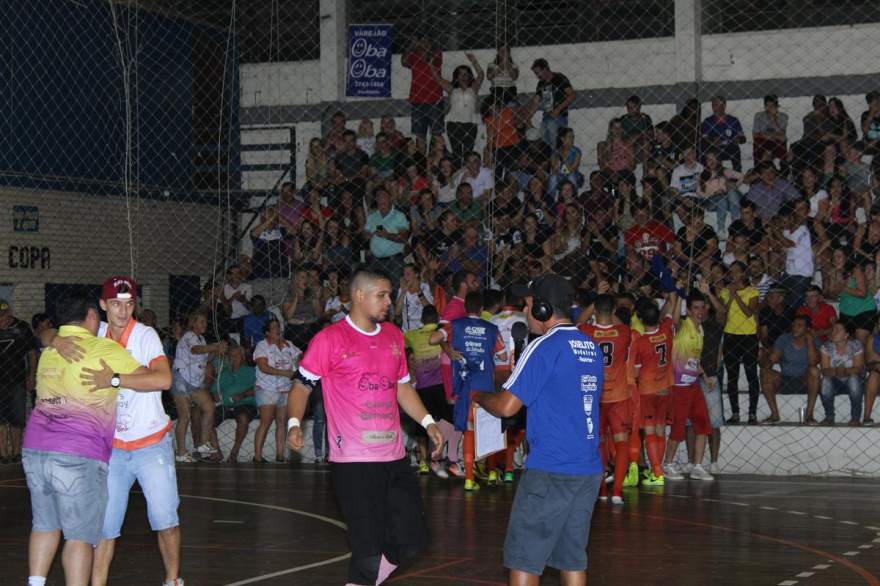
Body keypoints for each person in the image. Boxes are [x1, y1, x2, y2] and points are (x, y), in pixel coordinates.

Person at [286, 269, 443, 586]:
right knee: (368, 548)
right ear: (359, 295)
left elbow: (402, 387)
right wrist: (293, 423)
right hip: (353, 461)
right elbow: (302, 387)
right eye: (382, 295)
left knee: (413, 539)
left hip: (394, 457)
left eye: (389, 294)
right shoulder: (329, 339)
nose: (388, 302)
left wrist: (428, 423)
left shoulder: (394, 336)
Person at [471, 274, 604, 586]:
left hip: (551, 469)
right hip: (586, 468)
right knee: (572, 558)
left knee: (524, 559)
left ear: (543, 309)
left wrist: (478, 396)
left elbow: (506, 406)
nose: (524, 312)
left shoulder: (543, 346)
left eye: (528, 305)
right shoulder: (589, 346)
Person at [22, 293, 145, 586]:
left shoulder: (51, 347)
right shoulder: (105, 349)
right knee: (79, 537)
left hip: (36, 449)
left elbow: (43, 334)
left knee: (44, 526)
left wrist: (50, 336)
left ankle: (35, 583)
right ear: (92, 315)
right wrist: (116, 379)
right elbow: (156, 378)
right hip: (78, 452)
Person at [431, 292, 505, 490]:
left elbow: (433, 339)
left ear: (466, 308)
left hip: (465, 387)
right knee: (489, 431)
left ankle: (469, 479)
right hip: (485, 387)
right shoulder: (492, 328)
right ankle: (490, 473)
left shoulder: (455, 325)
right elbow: (503, 355)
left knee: (469, 432)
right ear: (481, 309)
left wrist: (448, 349)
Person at [579, 294, 634, 504]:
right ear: (612, 311)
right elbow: (622, 326)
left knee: (597, 443)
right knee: (621, 442)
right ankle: (617, 492)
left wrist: (593, 304)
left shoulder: (587, 332)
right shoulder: (623, 332)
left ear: (595, 312)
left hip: (594, 397)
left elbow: (577, 323)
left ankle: (601, 491)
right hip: (618, 396)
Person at [627, 295, 676, 486]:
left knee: (649, 432)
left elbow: (637, 370)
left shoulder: (639, 341)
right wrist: (674, 294)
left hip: (647, 389)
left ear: (639, 319)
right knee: (660, 430)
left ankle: (657, 473)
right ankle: (658, 470)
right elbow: (670, 315)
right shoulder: (666, 331)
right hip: (666, 387)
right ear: (658, 318)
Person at [171, 311, 227, 462]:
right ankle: (181, 453)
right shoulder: (189, 336)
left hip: (194, 382)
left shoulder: (201, 339)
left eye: (205, 322)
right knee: (185, 416)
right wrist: (214, 346)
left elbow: (204, 356)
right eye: (201, 321)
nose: (205, 324)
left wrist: (217, 351)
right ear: (193, 324)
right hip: (181, 379)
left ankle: (202, 443)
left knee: (209, 406)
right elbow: (194, 350)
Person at [404, 305, 450, 477]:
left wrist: (409, 368)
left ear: (422, 319)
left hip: (422, 387)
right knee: (447, 421)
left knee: (421, 425)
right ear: (437, 319)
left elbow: (403, 347)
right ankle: (443, 458)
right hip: (441, 386)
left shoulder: (411, 334)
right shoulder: (442, 332)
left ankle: (424, 463)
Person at [252, 319, 300, 463]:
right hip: (267, 389)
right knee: (265, 422)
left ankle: (280, 455)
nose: (277, 330)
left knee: (281, 422)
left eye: (278, 327)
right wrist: (286, 373)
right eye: (273, 328)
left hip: (285, 388)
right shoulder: (262, 345)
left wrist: (297, 362)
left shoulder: (288, 345)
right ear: (267, 332)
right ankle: (257, 456)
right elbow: (263, 367)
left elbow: (301, 355)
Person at [719, 261, 761, 424]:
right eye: (731, 271)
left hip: (749, 336)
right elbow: (724, 313)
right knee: (732, 376)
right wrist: (730, 295)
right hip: (730, 335)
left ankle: (752, 413)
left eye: (736, 271)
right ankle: (735, 413)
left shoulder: (752, 291)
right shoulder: (725, 291)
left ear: (744, 273)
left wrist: (736, 294)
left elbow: (749, 312)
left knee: (751, 374)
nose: (733, 274)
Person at [761, 315, 820, 424]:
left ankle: (809, 415)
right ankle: (774, 415)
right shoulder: (784, 338)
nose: (795, 328)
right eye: (794, 325)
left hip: (804, 380)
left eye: (800, 326)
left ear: (807, 329)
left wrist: (810, 341)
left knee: (814, 371)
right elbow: (773, 358)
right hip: (785, 380)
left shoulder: (814, 340)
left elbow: (813, 362)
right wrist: (766, 363)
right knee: (766, 373)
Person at [0, 298, 36, 464]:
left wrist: (32, 375)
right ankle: (2, 453)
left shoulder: (22, 328)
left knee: (17, 418)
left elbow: (31, 353)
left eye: (3, 316)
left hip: (17, 379)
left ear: (10, 313)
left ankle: (16, 452)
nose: (1, 320)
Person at [206, 344, 257, 463]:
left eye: (237, 355)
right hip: (226, 405)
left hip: (245, 403)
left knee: (243, 418)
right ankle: (217, 452)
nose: (234, 358)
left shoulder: (250, 371)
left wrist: (243, 395)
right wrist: (215, 395)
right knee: (207, 420)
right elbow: (214, 390)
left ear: (242, 357)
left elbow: (257, 388)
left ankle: (234, 452)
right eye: (231, 356)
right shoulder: (224, 373)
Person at [402, 35, 444, 154]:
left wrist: (419, 47)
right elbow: (403, 62)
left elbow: (429, 59)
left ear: (431, 43)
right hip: (417, 100)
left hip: (435, 99)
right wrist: (411, 46)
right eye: (422, 42)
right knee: (420, 136)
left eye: (427, 41)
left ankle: (437, 160)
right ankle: (421, 161)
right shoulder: (413, 55)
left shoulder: (437, 53)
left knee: (437, 134)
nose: (424, 44)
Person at [818, 322, 865, 425]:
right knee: (825, 381)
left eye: (838, 330)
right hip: (835, 382)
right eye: (833, 329)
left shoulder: (856, 345)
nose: (833, 332)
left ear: (846, 335)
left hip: (853, 381)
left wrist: (844, 371)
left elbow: (858, 369)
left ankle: (855, 418)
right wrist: (836, 371)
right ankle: (829, 417)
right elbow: (825, 370)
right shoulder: (826, 346)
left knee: (853, 379)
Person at [529, 58, 576, 156]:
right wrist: (528, 117)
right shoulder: (541, 84)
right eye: (536, 73)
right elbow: (536, 101)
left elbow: (572, 95)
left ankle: (558, 167)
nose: (537, 76)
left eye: (538, 72)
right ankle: (550, 168)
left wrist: (558, 110)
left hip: (558, 118)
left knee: (556, 146)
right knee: (545, 148)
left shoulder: (559, 78)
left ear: (546, 68)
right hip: (546, 118)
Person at [701, 95, 746, 171]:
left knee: (735, 149)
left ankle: (737, 175)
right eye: (713, 105)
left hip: (729, 147)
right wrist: (712, 141)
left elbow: (743, 139)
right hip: (714, 148)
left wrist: (739, 139)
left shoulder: (733, 120)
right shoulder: (707, 121)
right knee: (704, 148)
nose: (714, 107)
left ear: (724, 106)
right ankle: (708, 175)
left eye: (717, 105)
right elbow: (704, 138)